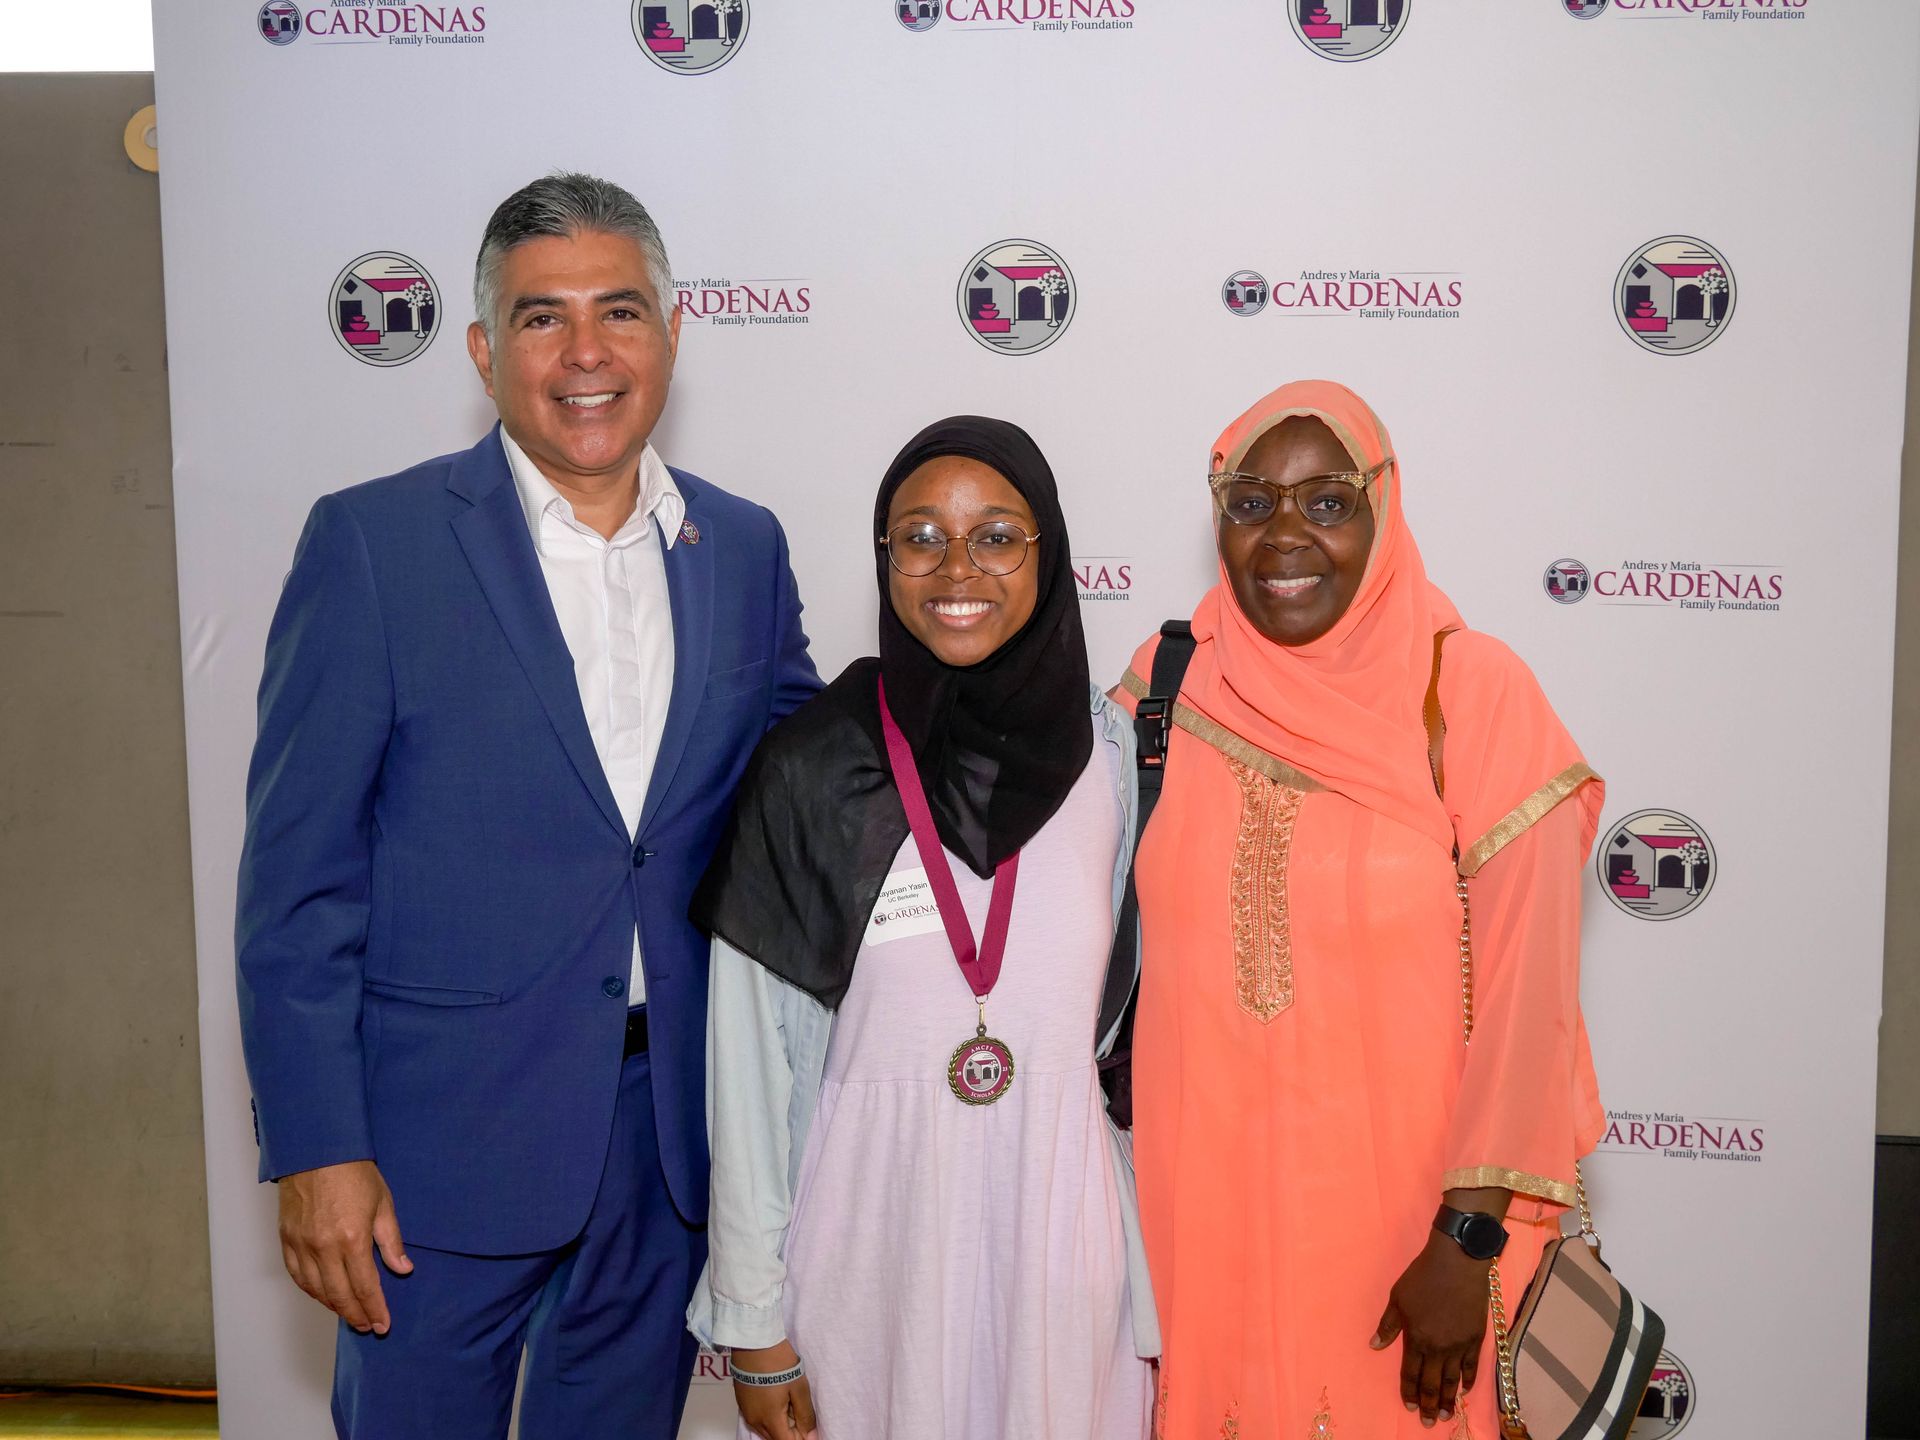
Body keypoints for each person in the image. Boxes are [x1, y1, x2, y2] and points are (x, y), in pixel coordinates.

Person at [234, 171, 819, 1440]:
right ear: (488, 349)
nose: (587, 352)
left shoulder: (747, 547)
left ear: (672, 334)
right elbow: (298, 879)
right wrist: (316, 1147)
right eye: (544, 318)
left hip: (667, 1142)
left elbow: (810, 783)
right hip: (430, 1154)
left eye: (620, 310)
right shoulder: (375, 546)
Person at [1120, 380, 1605, 1439]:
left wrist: (1466, 1246)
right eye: (1251, 503)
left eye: (1327, 502)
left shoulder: (1469, 693)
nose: (1286, 534)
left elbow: (1530, 1002)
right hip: (1199, 1222)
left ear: (1383, 511)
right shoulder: (1162, 690)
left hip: (1411, 1238)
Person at [688, 417, 1158, 1440]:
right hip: (868, 1245)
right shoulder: (814, 770)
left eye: (997, 536)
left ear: (1050, 555)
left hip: (1062, 1246)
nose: (957, 568)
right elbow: (747, 1068)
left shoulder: (1114, 759)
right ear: (884, 559)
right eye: (919, 537)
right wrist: (753, 1320)